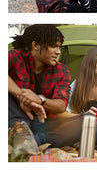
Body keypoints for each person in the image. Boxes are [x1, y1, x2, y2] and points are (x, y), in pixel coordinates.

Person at [8, 25, 70, 161]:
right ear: (35, 45)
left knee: (73, 128)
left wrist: (39, 100)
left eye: (59, 47)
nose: (58, 52)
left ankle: (23, 139)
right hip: (13, 113)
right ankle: (21, 132)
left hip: (42, 121)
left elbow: (61, 105)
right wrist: (22, 96)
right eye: (54, 46)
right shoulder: (15, 57)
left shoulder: (61, 71)